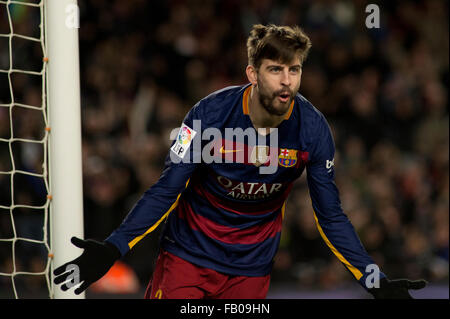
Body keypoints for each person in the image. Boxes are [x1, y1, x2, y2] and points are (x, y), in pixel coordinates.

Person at [53, 24, 427, 299]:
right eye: (275, 69)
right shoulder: (206, 115)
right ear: (252, 74)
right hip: (188, 259)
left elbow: (329, 216)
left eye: (294, 70)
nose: (286, 81)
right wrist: (113, 248)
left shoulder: (313, 131)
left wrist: (372, 278)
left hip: (250, 271)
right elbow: (166, 189)